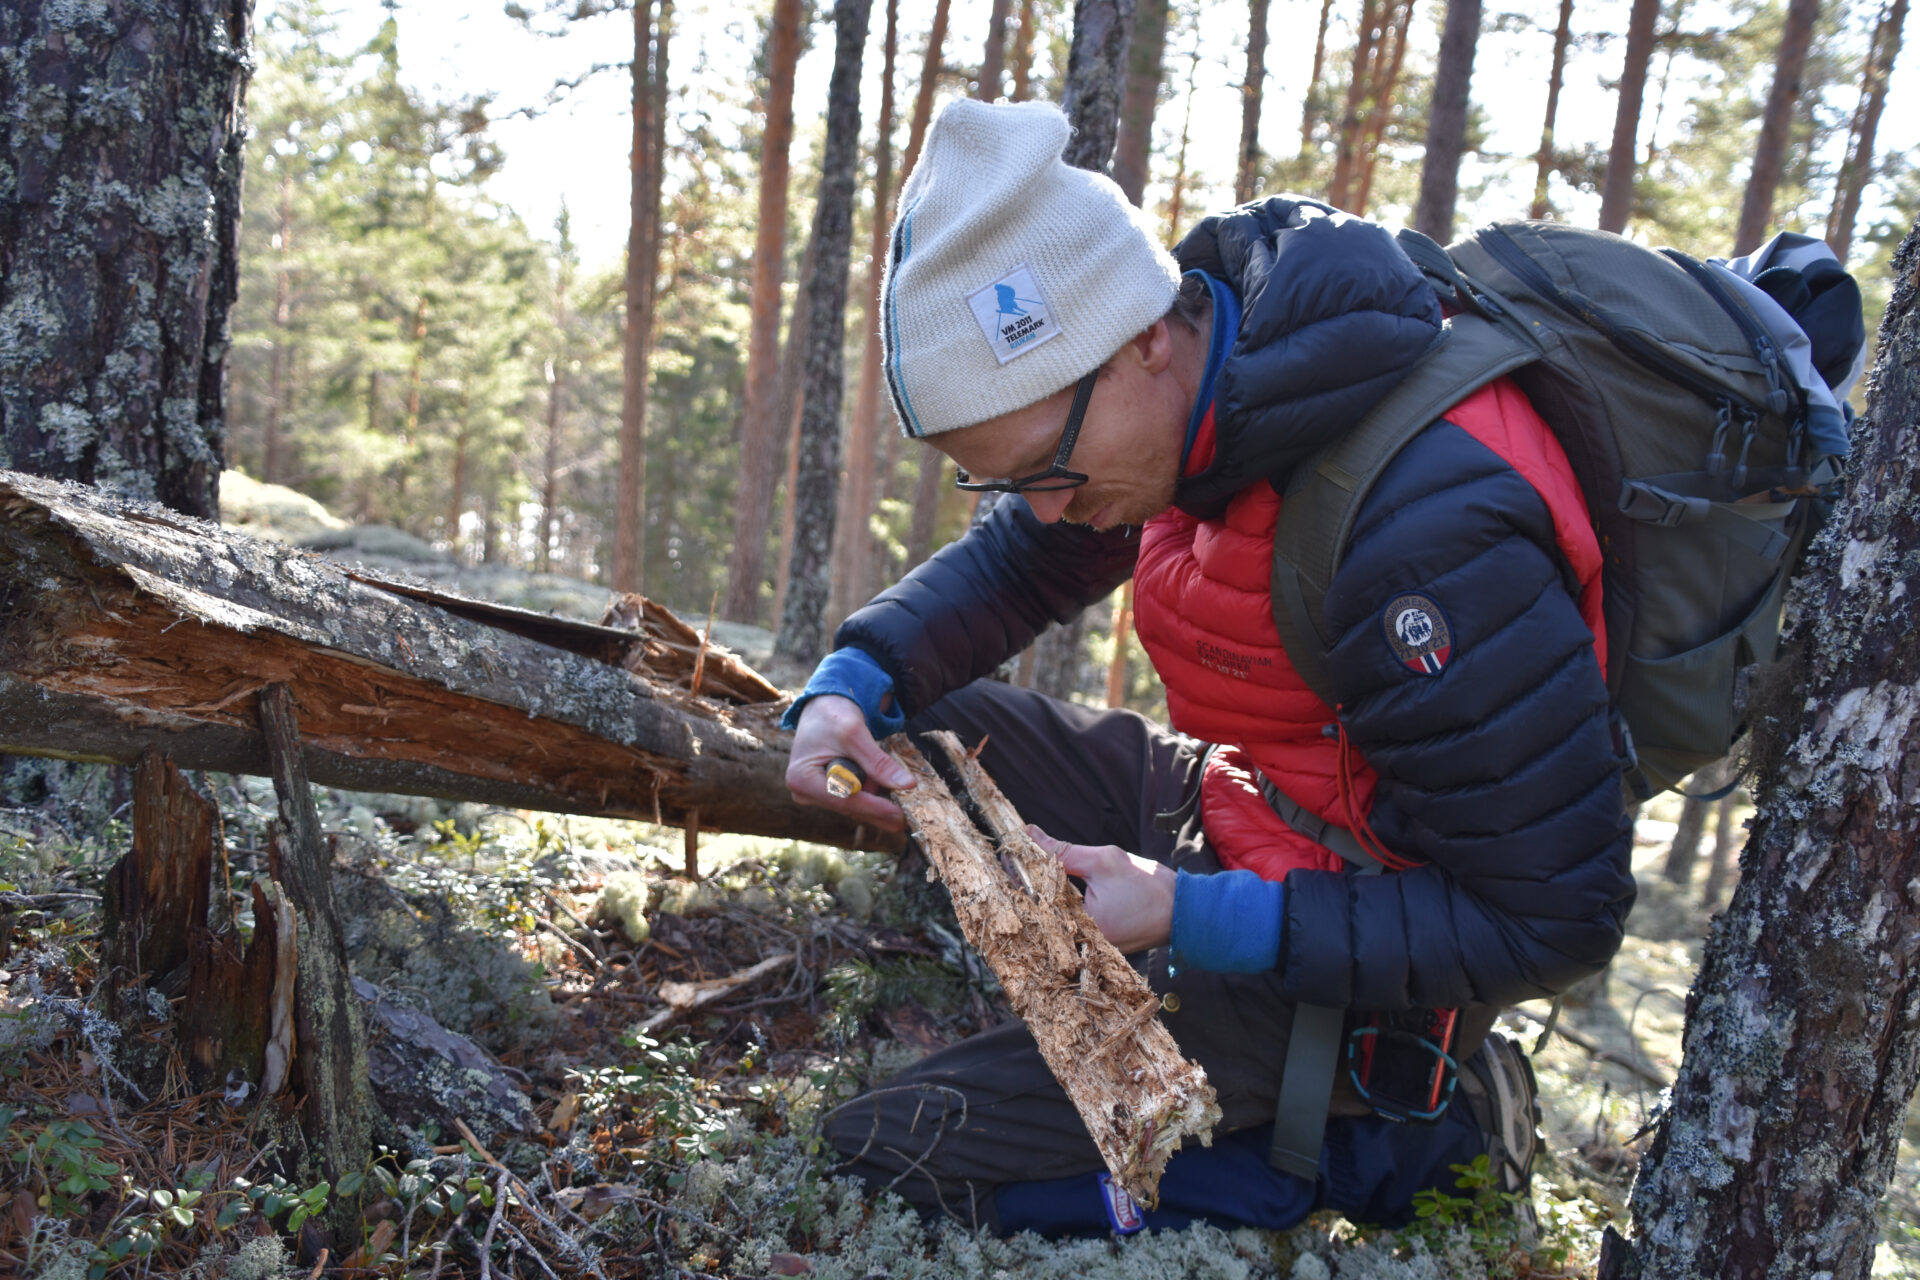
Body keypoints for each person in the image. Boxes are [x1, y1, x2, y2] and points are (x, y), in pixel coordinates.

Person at [781, 96, 1636, 1238]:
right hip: (1238, 802)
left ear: (1141, 336)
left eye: (1046, 467)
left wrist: (1194, 915)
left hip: (1347, 941)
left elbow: (1551, 918)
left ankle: (1374, 1139)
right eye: (998, 480)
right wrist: (854, 679)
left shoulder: (1424, 530)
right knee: (916, 732)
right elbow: (1023, 564)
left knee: (884, 1148)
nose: (1043, 508)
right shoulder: (1202, 380)